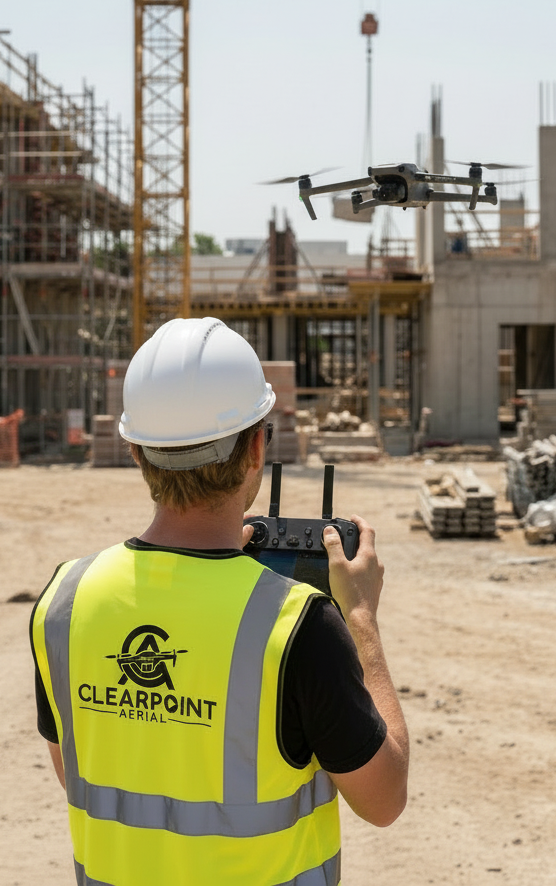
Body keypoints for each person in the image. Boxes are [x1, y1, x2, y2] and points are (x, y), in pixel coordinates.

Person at [31, 317, 409, 886]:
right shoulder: (299, 627)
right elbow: (384, 800)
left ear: (135, 450)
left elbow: (80, 773)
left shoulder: (64, 601)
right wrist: (360, 619)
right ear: (257, 447)